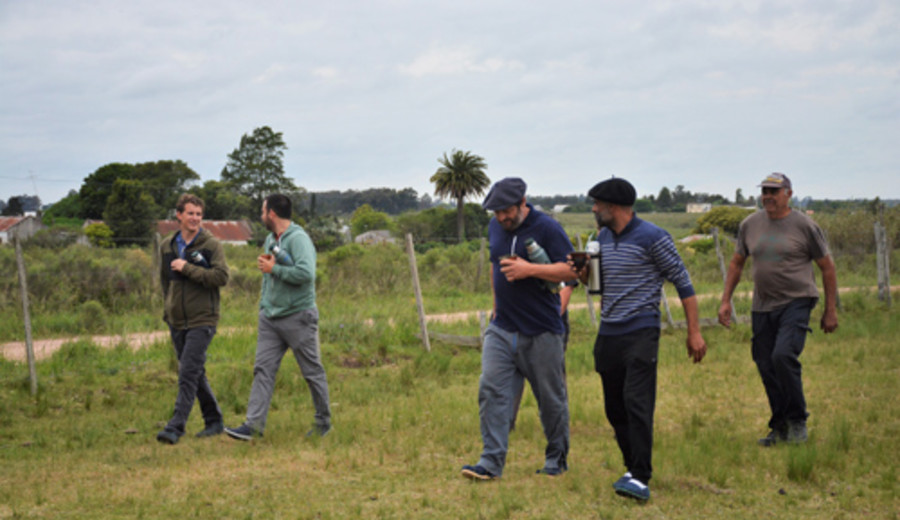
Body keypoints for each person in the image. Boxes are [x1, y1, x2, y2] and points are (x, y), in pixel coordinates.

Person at [580, 177, 707, 501]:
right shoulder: (602, 237)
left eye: (597, 204)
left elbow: (684, 284)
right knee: (614, 408)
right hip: (609, 331)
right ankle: (631, 467)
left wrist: (693, 332)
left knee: (637, 402)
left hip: (641, 330)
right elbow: (597, 288)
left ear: (614, 207)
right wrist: (584, 275)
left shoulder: (654, 238)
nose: (594, 209)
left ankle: (640, 476)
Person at [461, 177, 577, 481]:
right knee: (491, 390)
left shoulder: (547, 228)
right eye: (496, 212)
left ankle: (556, 459)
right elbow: (493, 266)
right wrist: (496, 305)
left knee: (551, 400)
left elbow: (574, 270)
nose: (501, 218)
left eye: (506, 211)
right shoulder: (495, 227)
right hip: (502, 328)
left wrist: (530, 270)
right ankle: (490, 463)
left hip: (542, 330)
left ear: (522, 203)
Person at [718, 172, 838, 447]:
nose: (768, 197)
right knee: (765, 363)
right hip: (763, 305)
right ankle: (781, 426)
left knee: (783, 356)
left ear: (788, 194)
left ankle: (798, 422)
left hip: (797, 300)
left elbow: (827, 267)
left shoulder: (805, 226)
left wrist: (830, 310)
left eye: (774, 191)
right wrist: (726, 300)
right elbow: (737, 263)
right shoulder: (750, 224)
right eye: (764, 192)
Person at [225, 194, 332, 440]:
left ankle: (323, 423)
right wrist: (264, 303)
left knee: (312, 371)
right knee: (262, 369)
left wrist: (276, 269)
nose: (261, 215)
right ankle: (253, 426)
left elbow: (306, 274)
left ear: (272, 213)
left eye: (263, 211)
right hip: (270, 318)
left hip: (298, 317)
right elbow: (270, 275)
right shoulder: (270, 240)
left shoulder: (299, 239)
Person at [157, 194, 229, 445]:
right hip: (176, 320)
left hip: (203, 319)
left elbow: (221, 277)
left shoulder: (211, 245)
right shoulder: (166, 246)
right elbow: (164, 282)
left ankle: (175, 427)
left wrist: (187, 268)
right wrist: (168, 310)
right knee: (195, 373)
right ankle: (214, 421)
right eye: (190, 213)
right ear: (178, 215)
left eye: (199, 214)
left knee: (187, 372)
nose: (195, 218)